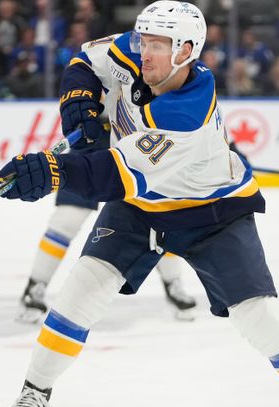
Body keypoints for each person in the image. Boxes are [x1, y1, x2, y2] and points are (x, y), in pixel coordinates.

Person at [0, 1, 279, 407]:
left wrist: (52, 171)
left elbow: (111, 175)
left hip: (210, 214)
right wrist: (78, 100)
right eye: (143, 41)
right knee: (81, 290)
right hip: (140, 206)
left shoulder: (184, 114)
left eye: (157, 45)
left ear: (186, 51)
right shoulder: (132, 54)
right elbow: (83, 60)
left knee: (260, 316)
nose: (143, 53)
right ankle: (34, 392)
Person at [16, 117, 197, 325]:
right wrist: (84, 106)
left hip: (139, 145)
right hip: (95, 142)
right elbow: (77, 87)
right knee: (67, 219)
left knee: (158, 216)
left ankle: (173, 282)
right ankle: (35, 286)